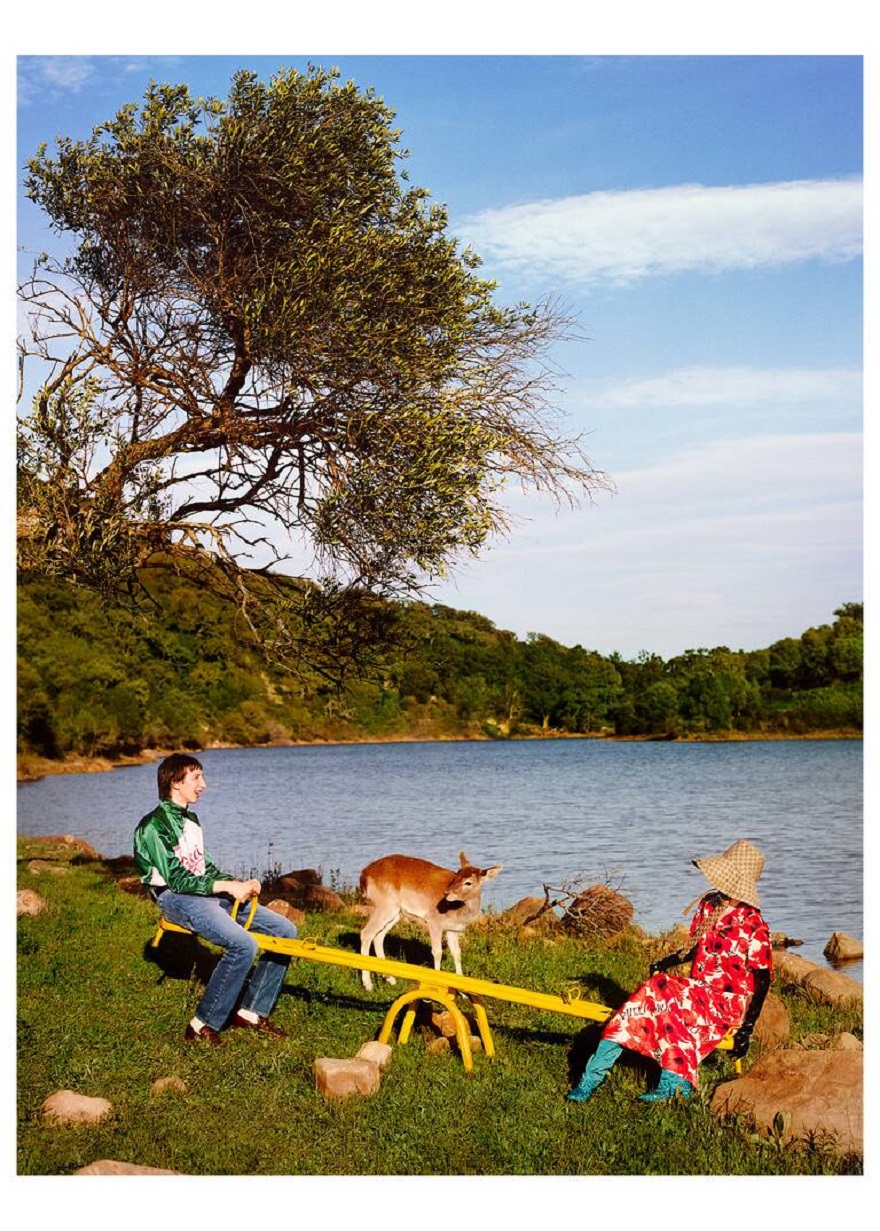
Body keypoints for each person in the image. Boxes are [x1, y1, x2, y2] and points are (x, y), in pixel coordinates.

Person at [567, 838, 772, 1103]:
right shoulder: (709, 904)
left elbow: (763, 979)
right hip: (698, 990)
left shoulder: (753, 923)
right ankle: (592, 1076)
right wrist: (665, 962)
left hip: (725, 1001)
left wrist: (747, 1028)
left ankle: (674, 1084)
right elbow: (694, 946)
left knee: (673, 1006)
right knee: (653, 989)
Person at [134, 752, 298, 1045]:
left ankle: (250, 1013)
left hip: (204, 893)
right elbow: (178, 880)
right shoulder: (153, 827)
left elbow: (204, 868)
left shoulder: (191, 820)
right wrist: (225, 886)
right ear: (175, 783)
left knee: (286, 930)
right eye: (196, 777)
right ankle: (202, 1024)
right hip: (175, 897)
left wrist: (238, 884)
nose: (204, 784)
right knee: (243, 945)